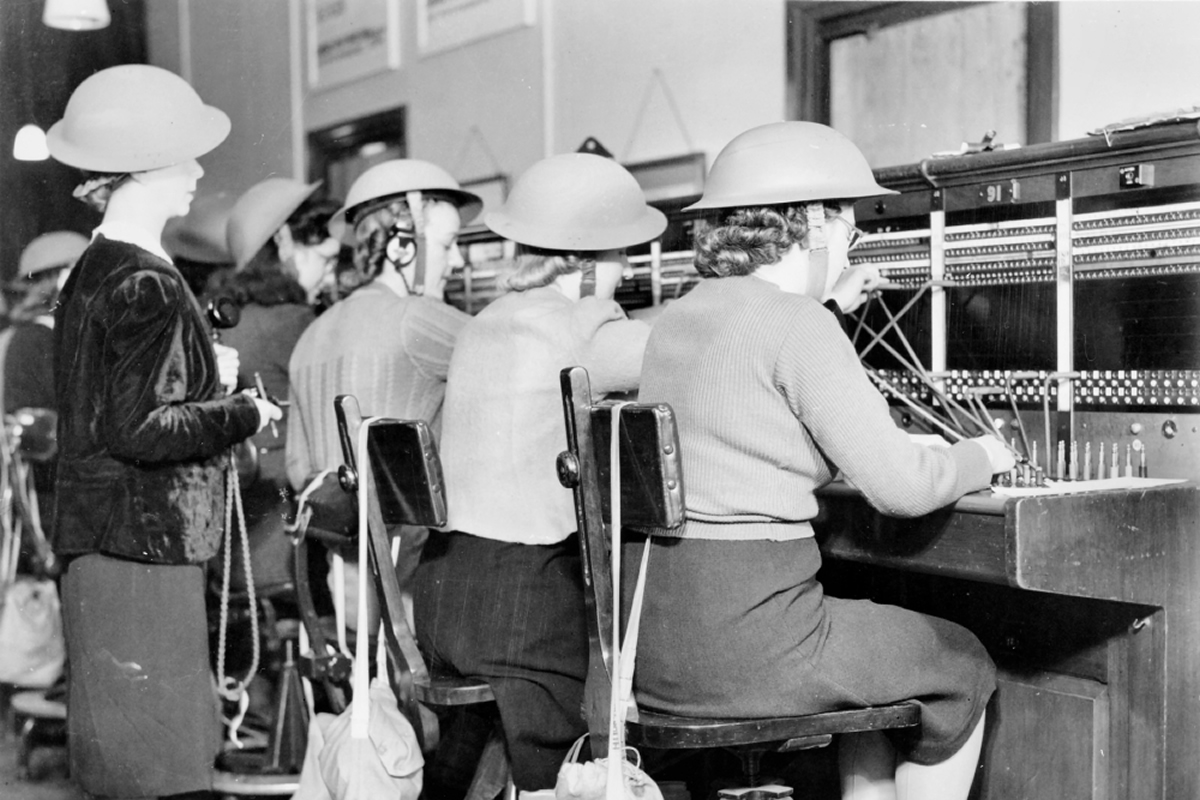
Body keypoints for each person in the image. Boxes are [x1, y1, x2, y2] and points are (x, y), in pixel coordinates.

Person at [627, 121, 1015, 800]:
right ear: (811, 225)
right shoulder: (798, 324)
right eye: (849, 226)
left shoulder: (675, 320)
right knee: (962, 663)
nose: (849, 243)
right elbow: (901, 487)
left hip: (660, 645)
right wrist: (981, 456)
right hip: (752, 642)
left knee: (870, 666)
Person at [46, 64, 281, 800]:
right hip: (144, 544)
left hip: (104, 540)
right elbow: (143, 429)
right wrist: (244, 411)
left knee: (122, 761)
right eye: (183, 157)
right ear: (141, 170)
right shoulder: (147, 279)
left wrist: (202, 367)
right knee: (165, 769)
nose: (198, 172)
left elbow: (110, 398)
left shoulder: (92, 267)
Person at [417, 152, 667, 791]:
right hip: (522, 617)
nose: (630, 268)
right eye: (620, 255)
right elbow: (689, 351)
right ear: (583, 263)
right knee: (643, 697)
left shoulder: (481, 323)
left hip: (444, 597)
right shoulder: (585, 326)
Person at [285, 158, 480, 631]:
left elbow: (297, 471)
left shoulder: (312, 334)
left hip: (342, 600)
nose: (456, 262)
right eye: (449, 244)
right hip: (412, 595)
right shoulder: (417, 318)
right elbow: (519, 358)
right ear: (399, 245)